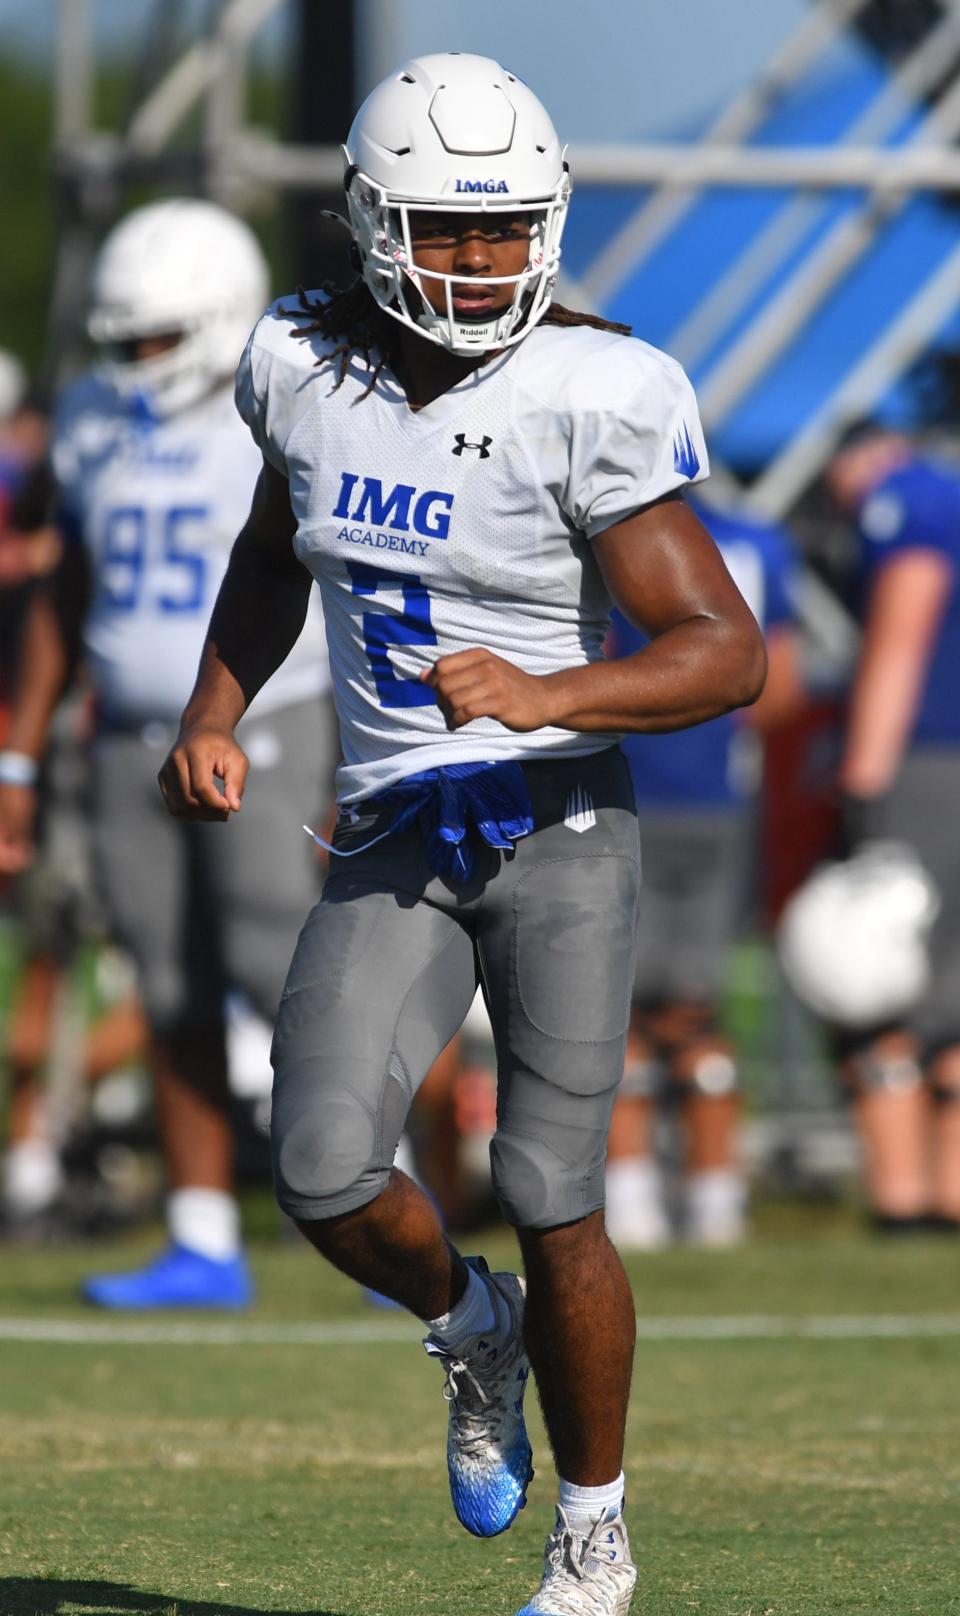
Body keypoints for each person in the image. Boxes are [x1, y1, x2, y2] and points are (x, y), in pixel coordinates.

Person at [158, 55, 765, 1615]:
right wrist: (214, 712)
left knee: (551, 1179)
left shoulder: (596, 389)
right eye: (447, 228)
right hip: (396, 823)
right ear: (370, 221)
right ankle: (470, 1328)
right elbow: (271, 547)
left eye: (507, 231)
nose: (481, 262)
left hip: (560, 820)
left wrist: (545, 687)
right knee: (320, 1167)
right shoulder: (298, 360)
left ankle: (598, 1529)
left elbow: (725, 647)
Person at [0, 198, 334, 1303]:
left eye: (156, 338)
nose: (135, 361)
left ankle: (385, 1199)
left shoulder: (287, 400)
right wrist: (19, 747)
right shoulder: (92, 415)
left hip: (270, 719)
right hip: (126, 734)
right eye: (123, 340)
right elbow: (65, 586)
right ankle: (203, 1236)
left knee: (300, 973)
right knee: (172, 980)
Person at [605, 500, 804, 1249]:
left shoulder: (616, 531)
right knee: (699, 1010)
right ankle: (717, 1202)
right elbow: (779, 686)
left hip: (631, 791)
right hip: (723, 800)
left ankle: (631, 1207)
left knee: (618, 1014)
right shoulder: (759, 542)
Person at [820, 424, 960, 1231]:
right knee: (949, 990)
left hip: (927, 764)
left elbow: (900, 638)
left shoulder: (908, 498)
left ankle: (902, 1200)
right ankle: (947, 1194)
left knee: (876, 978)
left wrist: (862, 782)